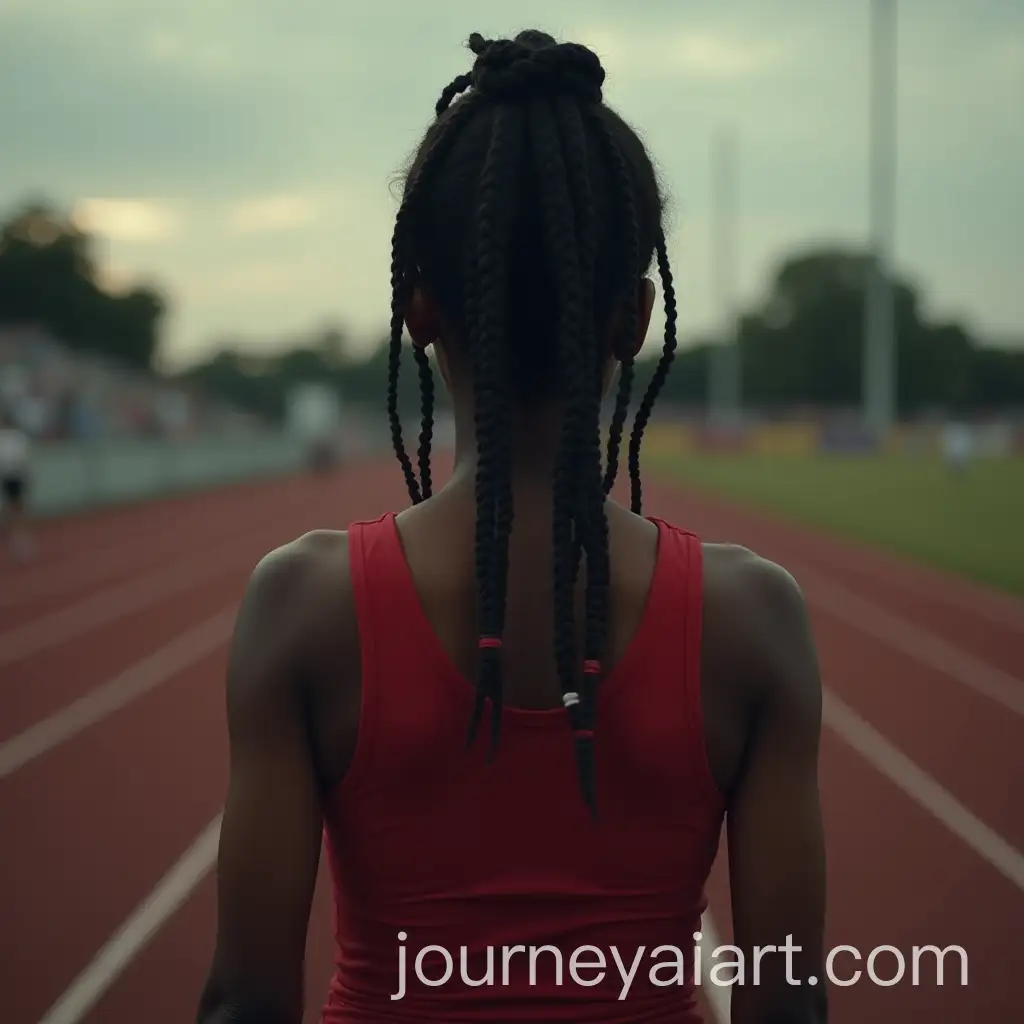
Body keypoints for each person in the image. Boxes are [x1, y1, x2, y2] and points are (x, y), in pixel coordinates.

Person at [198, 30, 827, 1024]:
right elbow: (788, 1004)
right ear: (635, 318)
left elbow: (245, 1002)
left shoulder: (302, 606)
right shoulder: (754, 617)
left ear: (418, 308)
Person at [0, 408, 33, 563]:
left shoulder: (17, 437)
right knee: (14, 508)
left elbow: (23, 459)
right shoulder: (11, 438)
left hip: (14, 476)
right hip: (10, 476)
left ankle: (19, 537)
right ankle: (17, 537)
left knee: (17, 508)